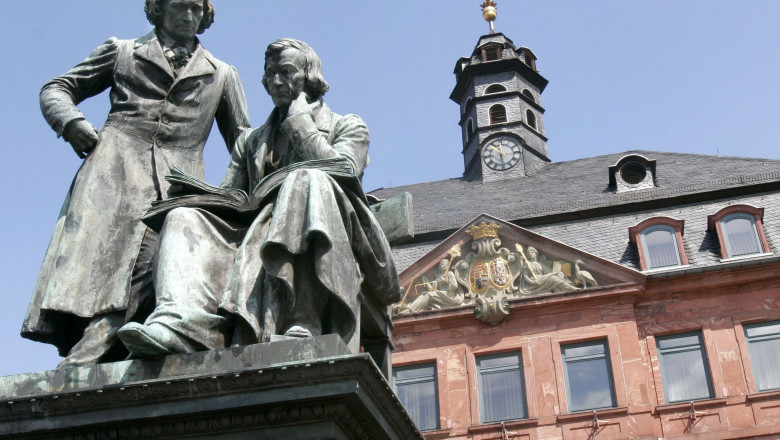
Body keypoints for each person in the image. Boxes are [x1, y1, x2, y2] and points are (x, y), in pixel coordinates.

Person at [118, 39, 399, 357]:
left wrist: (301, 126)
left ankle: (304, 317)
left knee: (305, 179)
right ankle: (180, 325)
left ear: (310, 76)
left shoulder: (348, 125)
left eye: (286, 72)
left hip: (329, 229)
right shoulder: (251, 142)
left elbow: (344, 170)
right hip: (254, 231)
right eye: (271, 74)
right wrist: (199, 198)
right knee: (183, 216)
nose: (276, 81)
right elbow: (232, 197)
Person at [21, 0, 251, 367]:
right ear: (157, 9)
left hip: (178, 184)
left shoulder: (223, 75)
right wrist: (71, 123)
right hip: (111, 176)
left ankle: (91, 350)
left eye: (196, 9)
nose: (189, 16)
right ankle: (98, 352)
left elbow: (244, 141)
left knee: (154, 260)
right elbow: (57, 88)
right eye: (179, 6)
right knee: (104, 272)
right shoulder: (122, 51)